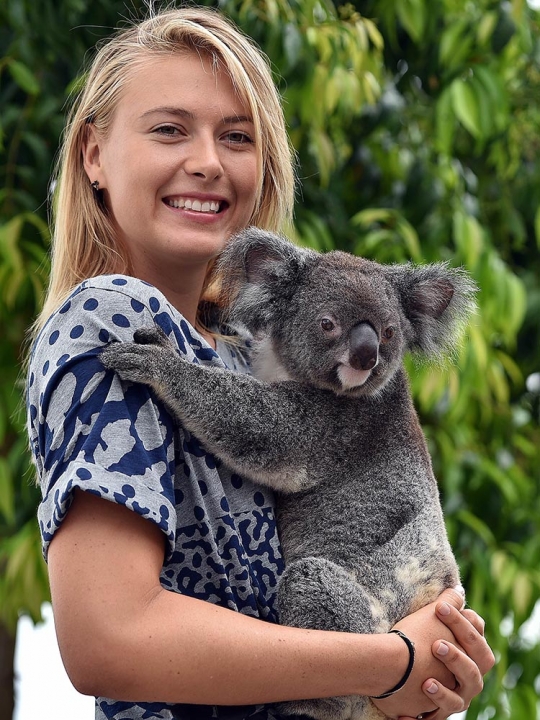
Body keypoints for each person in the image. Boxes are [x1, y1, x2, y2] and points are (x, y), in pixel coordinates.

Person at [26, 6, 495, 720]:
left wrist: (435, 675)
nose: (208, 161)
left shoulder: (255, 358)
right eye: (168, 129)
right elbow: (105, 640)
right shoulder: (114, 314)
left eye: (237, 137)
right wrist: (391, 662)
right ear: (94, 155)